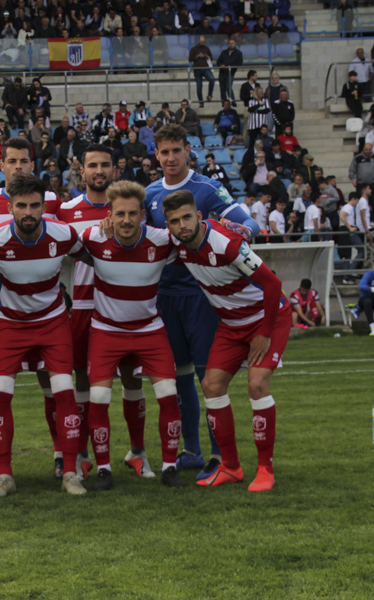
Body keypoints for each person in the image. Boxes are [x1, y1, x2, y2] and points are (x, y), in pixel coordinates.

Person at [143, 124, 260, 481]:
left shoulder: (207, 188)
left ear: (188, 149)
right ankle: (191, 450)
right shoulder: (149, 193)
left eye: (176, 150)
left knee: (209, 377)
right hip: (166, 296)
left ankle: (219, 454)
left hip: (202, 296)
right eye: (164, 152)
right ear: (156, 155)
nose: (170, 158)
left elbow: (248, 223)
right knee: (178, 378)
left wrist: (235, 234)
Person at [159, 190, 287, 492]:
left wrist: (264, 334)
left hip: (267, 319)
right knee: (212, 385)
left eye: (187, 217)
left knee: (256, 385)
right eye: (175, 221)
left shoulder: (227, 243)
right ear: (169, 225)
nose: (182, 225)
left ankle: (265, 469)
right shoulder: (176, 241)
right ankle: (231, 466)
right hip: (231, 325)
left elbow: (273, 284)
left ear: (199, 216)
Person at [0, 173, 84, 498]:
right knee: (1, 394)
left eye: (35, 205)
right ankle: (4, 475)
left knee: (64, 393)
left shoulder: (63, 235)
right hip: (9, 323)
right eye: (21, 206)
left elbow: (93, 254)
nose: (28, 212)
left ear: (44, 206)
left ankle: (71, 471)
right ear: (10, 207)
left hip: (52, 322)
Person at [72, 180, 186, 493]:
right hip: (106, 330)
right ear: (109, 214)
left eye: (132, 213)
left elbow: (196, 238)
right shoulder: (93, 238)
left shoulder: (162, 241)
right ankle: (104, 470)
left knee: (167, 392)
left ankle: (170, 467)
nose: (126, 220)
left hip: (149, 329)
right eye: (119, 213)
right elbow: (63, 248)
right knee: (98, 397)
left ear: (142, 215)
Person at [57, 148, 153, 482]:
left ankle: (137, 452)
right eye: (92, 165)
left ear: (116, 169)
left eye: (105, 165)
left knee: (132, 379)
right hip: (84, 307)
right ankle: (83, 454)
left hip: (126, 308)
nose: (99, 170)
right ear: (80, 170)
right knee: (83, 383)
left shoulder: (131, 210)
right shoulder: (65, 210)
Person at [0, 137, 64, 476]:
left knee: (51, 382)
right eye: (11, 161)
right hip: (2, 307)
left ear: (33, 163)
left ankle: (61, 455)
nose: (18, 167)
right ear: (2, 165)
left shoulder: (51, 199)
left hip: (45, 306)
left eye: (24, 161)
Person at [190, 36, 217, 107]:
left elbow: (211, 58)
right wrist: (198, 56)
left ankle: (210, 95)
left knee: (212, 79)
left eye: (203, 42)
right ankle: (201, 102)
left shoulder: (206, 48)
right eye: (201, 42)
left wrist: (206, 56)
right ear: (198, 41)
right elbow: (190, 59)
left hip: (206, 68)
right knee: (199, 87)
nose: (202, 43)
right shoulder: (194, 49)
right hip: (197, 69)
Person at [216, 39, 243, 105]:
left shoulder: (238, 53)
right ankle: (224, 103)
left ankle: (232, 101)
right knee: (222, 89)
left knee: (228, 87)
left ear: (235, 44)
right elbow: (218, 61)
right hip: (222, 73)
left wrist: (230, 66)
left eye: (232, 43)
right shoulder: (224, 52)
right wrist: (221, 65)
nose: (231, 45)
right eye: (230, 43)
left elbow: (239, 63)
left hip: (230, 73)